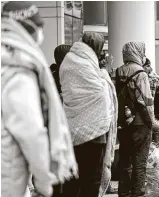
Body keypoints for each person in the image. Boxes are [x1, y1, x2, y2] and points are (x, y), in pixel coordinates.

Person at [1, 2, 77, 197]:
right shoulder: (18, 71)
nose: (42, 32)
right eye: (39, 25)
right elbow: (31, 132)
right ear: (28, 28)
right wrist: (44, 181)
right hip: (8, 179)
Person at [60, 32, 117, 197]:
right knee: (92, 178)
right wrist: (104, 74)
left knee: (74, 178)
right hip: (94, 131)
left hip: (72, 130)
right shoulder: (86, 64)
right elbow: (100, 92)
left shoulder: (68, 61)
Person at [116, 41, 154, 197]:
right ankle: (137, 192)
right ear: (138, 53)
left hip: (123, 124)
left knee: (125, 159)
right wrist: (151, 122)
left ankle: (123, 192)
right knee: (140, 161)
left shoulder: (117, 72)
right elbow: (145, 100)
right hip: (140, 123)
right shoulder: (141, 73)